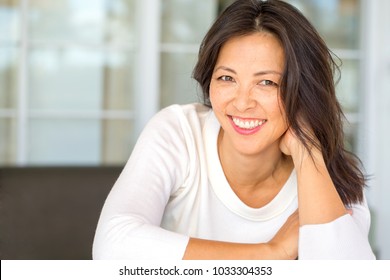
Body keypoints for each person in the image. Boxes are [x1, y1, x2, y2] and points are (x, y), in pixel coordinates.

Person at [93, 0, 375, 259]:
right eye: (227, 78)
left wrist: (307, 151)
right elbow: (112, 246)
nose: (241, 103)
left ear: (303, 92)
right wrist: (270, 253)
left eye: (267, 83)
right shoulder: (180, 131)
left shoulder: (334, 176)